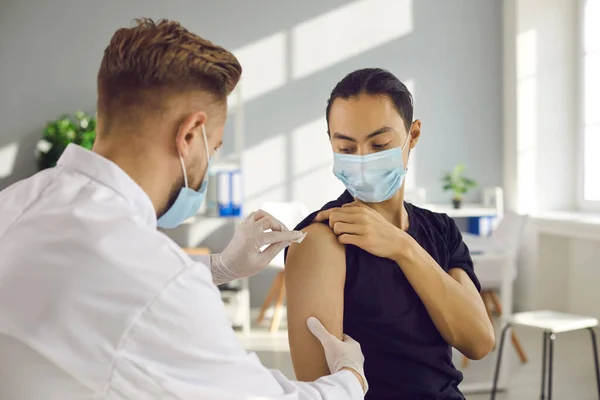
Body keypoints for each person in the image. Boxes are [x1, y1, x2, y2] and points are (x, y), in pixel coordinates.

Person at [0, 19, 368, 400]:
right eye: (216, 146)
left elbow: (95, 278)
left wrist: (220, 266)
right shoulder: (159, 288)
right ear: (190, 135)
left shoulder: (16, 204)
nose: (211, 161)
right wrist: (349, 377)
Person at [284, 68, 495, 399]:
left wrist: (403, 248)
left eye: (379, 143)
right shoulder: (322, 241)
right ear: (331, 142)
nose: (364, 160)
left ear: (413, 136)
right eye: (347, 148)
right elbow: (319, 390)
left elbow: (478, 341)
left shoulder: (440, 230)